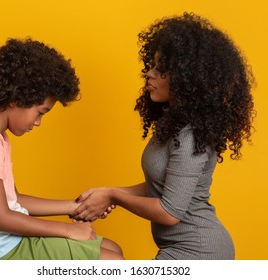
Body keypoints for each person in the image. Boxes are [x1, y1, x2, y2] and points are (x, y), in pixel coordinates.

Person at [70, 12, 255, 260]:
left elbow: (169, 211)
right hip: (181, 248)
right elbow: (162, 187)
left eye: (162, 70)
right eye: (152, 65)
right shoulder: (173, 125)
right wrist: (109, 191)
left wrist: (114, 197)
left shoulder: (192, 136)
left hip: (200, 252)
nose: (150, 74)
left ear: (188, 79)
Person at [0, 38, 124, 260]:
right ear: (16, 98)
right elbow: (0, 218)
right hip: (2, 251)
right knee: (112, 262)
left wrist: (74, 207)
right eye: (40, 112)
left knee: (113, 249)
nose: (38, 122)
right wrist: (69, 230)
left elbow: (14, 200)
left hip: (10, 241)